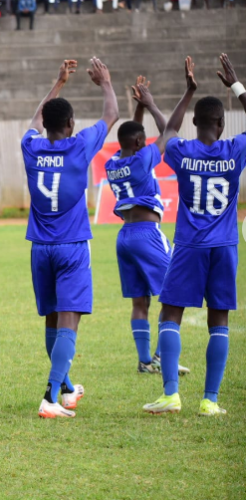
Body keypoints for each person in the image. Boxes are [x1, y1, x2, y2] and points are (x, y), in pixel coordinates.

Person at [143, 54, 246, 417]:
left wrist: (171, 98)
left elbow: (167, 133)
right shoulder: (234, 152)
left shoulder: (183, 153)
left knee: (170, 315)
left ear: (196, 123)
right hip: (224, 248)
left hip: (188, 246)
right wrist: (235, 84)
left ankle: (171, 395)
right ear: (221, 123)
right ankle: (210, 401)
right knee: (219, 321)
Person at [21, 58, 118, 418]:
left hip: (40, 248)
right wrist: (105, 82)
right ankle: (49, 397)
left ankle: (65, 388)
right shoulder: (79, 146)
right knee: (68, 322)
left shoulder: (30, 148)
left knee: (51, 319)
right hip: (72, 247)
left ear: (46, 124)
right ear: (71, 124)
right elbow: (112, 113)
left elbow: (33, 121)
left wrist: (58, 83)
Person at [104, 76, 189, 377]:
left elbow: (131, 136)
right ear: (141, 143)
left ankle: (144, 361)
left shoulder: (112, 164)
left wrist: (138, 108)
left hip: (124, 236)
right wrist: (151, 103)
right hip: (147, 234)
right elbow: (171, 131)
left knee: (140, 300)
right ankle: (162, 357)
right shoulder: (143, 161)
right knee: (174, 293)